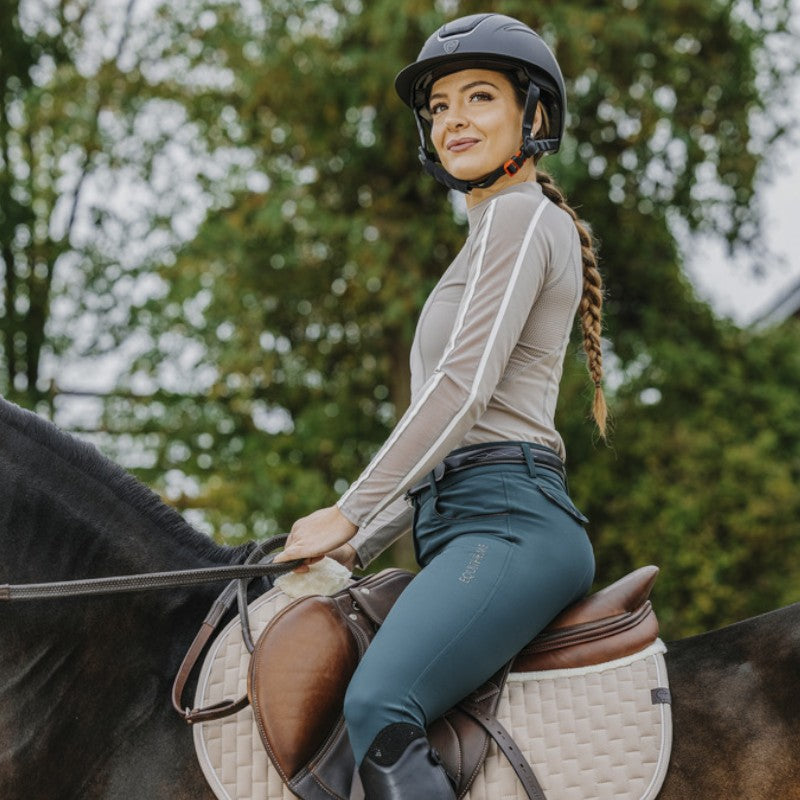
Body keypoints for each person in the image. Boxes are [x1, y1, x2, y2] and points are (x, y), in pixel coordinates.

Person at [273, 12, 607, 799]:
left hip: (509, 525)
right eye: (439, 107)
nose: (453, 119)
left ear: (534, 116)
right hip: (458, 522)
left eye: (480, 97)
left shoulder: (522, 217)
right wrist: (357, 547)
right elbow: (448, 445)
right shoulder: (488, 236)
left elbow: (462, 392)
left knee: (378, 702)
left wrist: (348, 513)